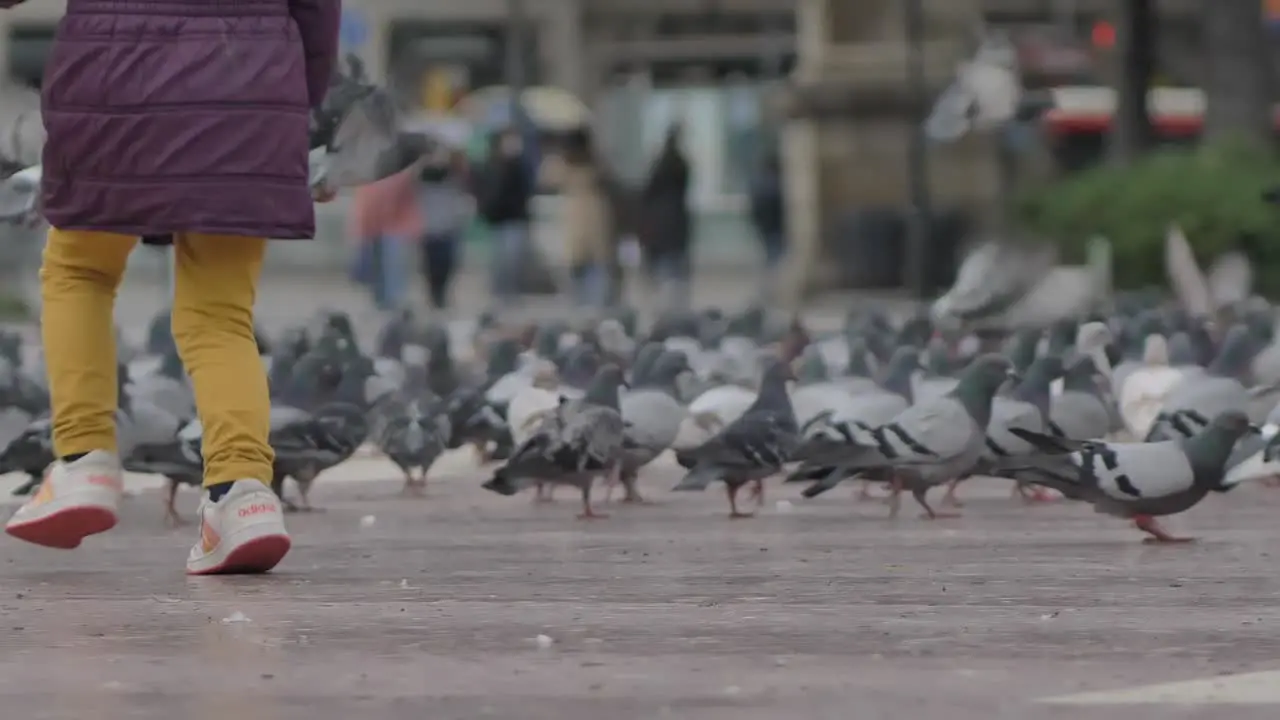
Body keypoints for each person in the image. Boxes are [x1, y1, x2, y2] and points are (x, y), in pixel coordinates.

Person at [0, 0, 338, 576]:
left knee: (80, 270)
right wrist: (295, 104)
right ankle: (244, 496)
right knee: (220, 313)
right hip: (248, 86)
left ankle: (85, 462)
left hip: (112, 80)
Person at [547, 128, 613, 308]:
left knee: (589, 277)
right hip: (584, 229)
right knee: (587, 276)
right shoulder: (590, 166)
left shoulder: (586, 168)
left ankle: (587, 311)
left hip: (584, 228)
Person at [350, 155, 424, 312]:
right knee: (378, 271)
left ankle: (394, 307)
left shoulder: (399, 171)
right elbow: (364, 204)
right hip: (373, 227)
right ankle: (381, 304)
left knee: (393, 268)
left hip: (396, 226)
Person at [476, 127, 535, 306]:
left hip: (515, 219)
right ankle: (500, 296)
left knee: (514, 261)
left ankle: (511, 296)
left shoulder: (521, 165)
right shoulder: (492, 164)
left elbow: (527, 188)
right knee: (500, 261)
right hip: (498, 220)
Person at [639, 123, 693, 309]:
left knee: (663, 277)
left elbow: (646, 195)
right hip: (676, 228)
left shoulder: (659, 168)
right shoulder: (681, 166)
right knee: (675, 277)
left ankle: (665, 311)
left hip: (660, 229)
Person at [416, 145, 470, 310]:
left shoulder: (454, 175)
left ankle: (442, 296)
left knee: (447, 265)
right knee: (431, 267)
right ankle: (434, 296)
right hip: (430, 229)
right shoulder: (423, 177)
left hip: (448, 228)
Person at [748, 150, 786, 300]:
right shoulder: (775, 185)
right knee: (774, 261)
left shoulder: (759, 184)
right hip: (774, 228)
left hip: (766, 228)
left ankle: (767, 291)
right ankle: (770, 291)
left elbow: (755, 209)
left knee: (771, 260)